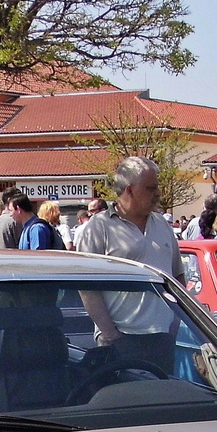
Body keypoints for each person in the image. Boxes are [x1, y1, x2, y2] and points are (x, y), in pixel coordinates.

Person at [73, 156, 187, 372]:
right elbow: (87, 287)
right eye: (150, 188)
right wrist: (111, 335)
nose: (157, 194)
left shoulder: (162, 224)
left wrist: (175, 324)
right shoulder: (99, 228)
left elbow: (177, 278)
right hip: (120, 340)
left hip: (162, 337)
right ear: (128, 190)